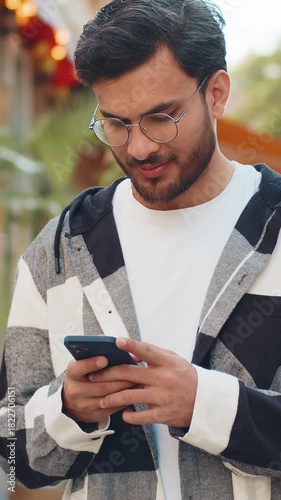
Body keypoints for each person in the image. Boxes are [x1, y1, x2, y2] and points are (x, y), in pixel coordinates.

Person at [1, 0, 281, 498]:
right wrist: (68, 409)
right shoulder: (60, 250)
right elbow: (11, 458)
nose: (138, 148)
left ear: (216, 94)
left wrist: (206, 405)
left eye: (160, 118)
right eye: (115, 123)